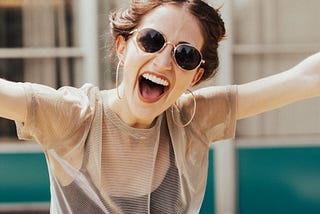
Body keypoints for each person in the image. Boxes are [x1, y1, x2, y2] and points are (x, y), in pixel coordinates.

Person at [0, 0, 319, 213]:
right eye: (152, 40)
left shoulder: (194, 119)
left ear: (194, 76)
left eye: (185, 55)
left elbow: (306, 78)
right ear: (122, 47)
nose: (164, 61)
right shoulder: (75, 116)